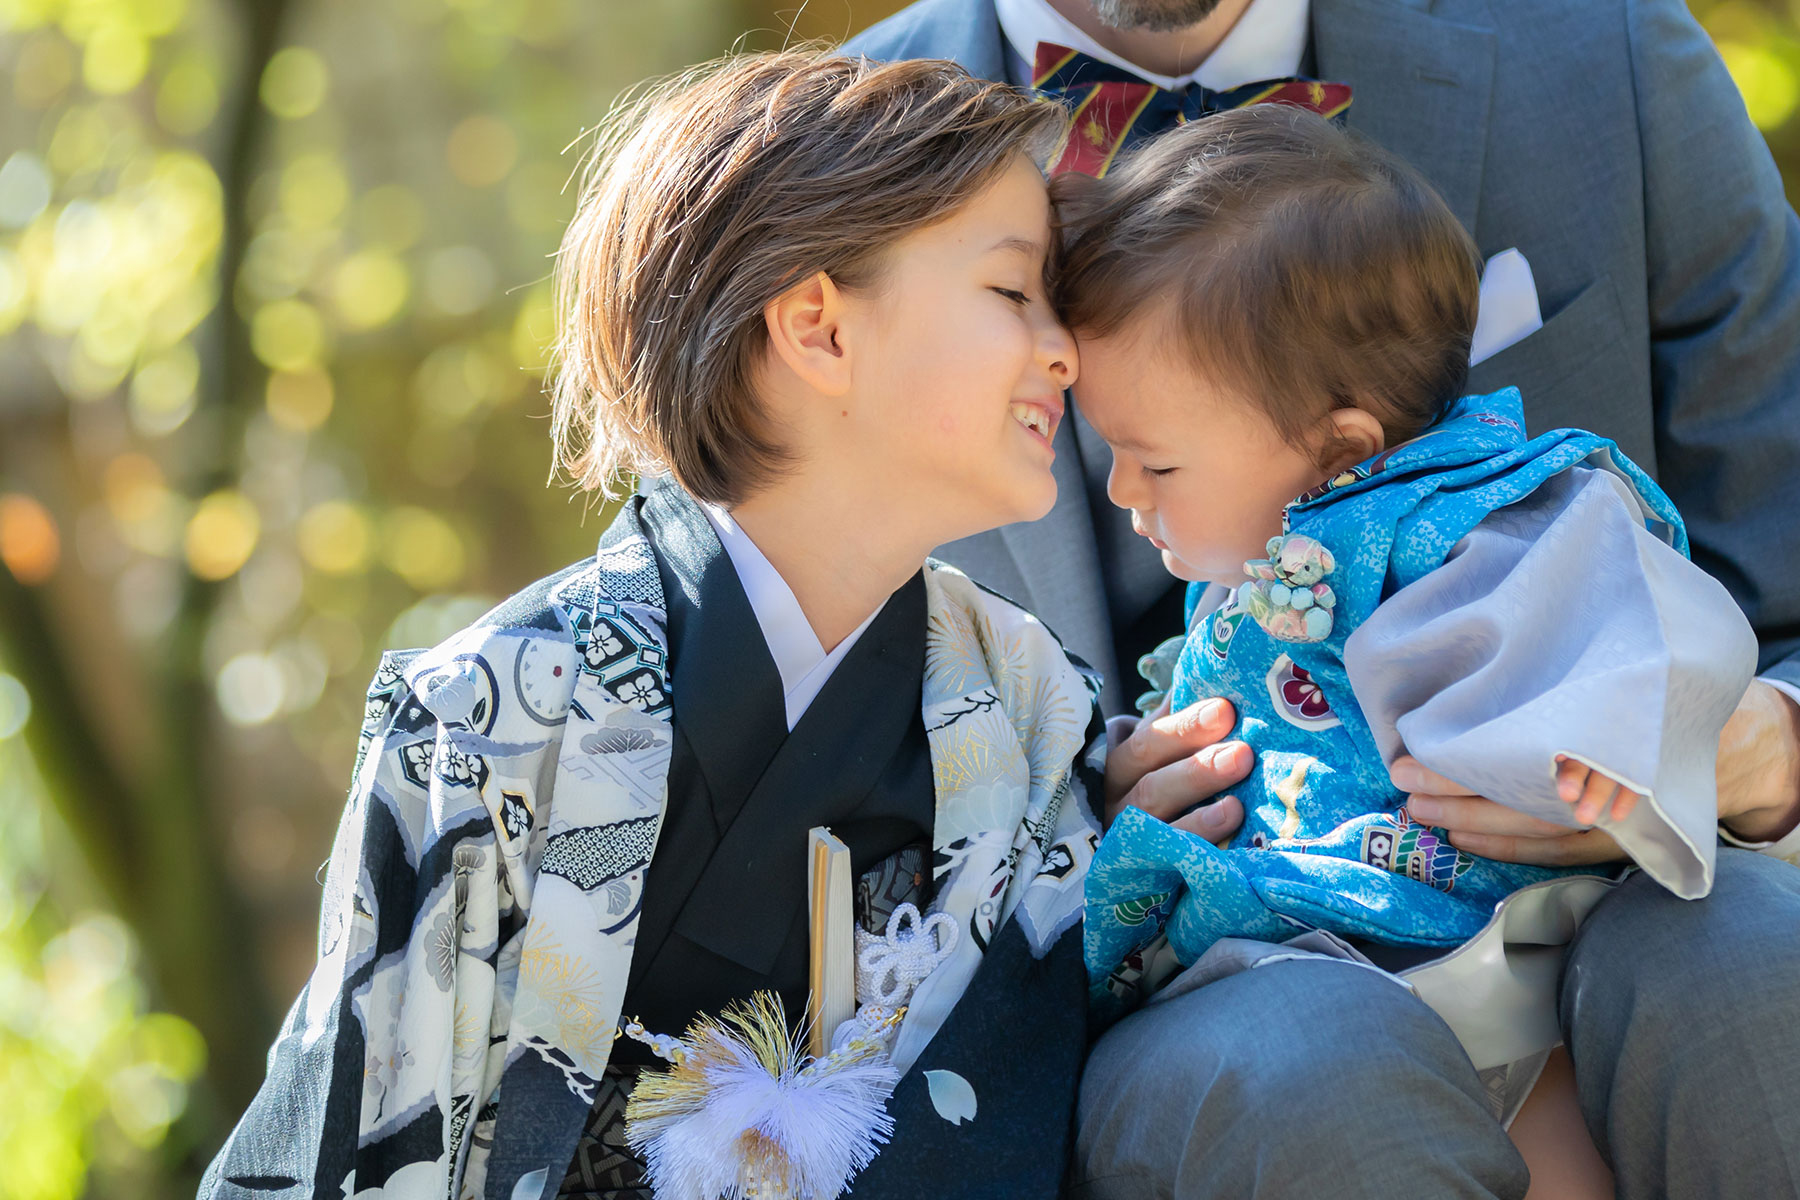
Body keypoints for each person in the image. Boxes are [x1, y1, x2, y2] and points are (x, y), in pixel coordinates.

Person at [843, 3, 1800, 1198]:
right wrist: (1070, 822)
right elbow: (778, 748)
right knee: (1314, 1071)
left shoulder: (1603, 45)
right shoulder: (820, 154)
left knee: (1761, 965)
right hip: (1209, 986)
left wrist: (1765, 750)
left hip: (1631, 888)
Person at [199, 51, 1103, 1200]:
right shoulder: (489, 719)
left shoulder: (1031, 711)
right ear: (819, 328)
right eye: (1013, 292)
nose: (1062, 345)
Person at [1062, 105, 1754, 1194]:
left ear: (1339, 450)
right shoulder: (1272, 529)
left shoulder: (1458, 525)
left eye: (1154, 462)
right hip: (1288, 973)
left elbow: (1640, 615)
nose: (1119, 492)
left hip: (1453, 935)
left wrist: (1596, 739)